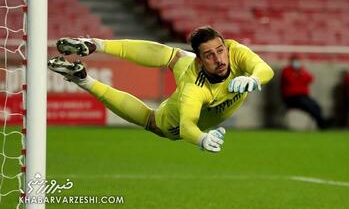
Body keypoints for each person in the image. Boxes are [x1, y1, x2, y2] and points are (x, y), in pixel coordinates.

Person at [48, 26, 274, 152]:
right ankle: (83, 80)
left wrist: (254, 78)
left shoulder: (235, 51)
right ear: (200, 61)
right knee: (153, 122)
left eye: (220, 50)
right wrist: (202, 139)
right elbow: (187, 127)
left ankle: (96, 44)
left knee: (174, 56)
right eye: (209, 55)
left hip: (188, 62)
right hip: (186, 99)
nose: (219, 58)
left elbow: (265, 69)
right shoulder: (193, 90)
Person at [280, 54, 329, 129]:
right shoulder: (286, 70)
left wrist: (298, 76)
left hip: (303, 96)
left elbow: (310, 78)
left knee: (316, 105)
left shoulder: (302, 70)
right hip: (291, 98)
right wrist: (300, 77)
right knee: (308, 105)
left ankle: (321, 122)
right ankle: (322, 122)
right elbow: (291, 81)